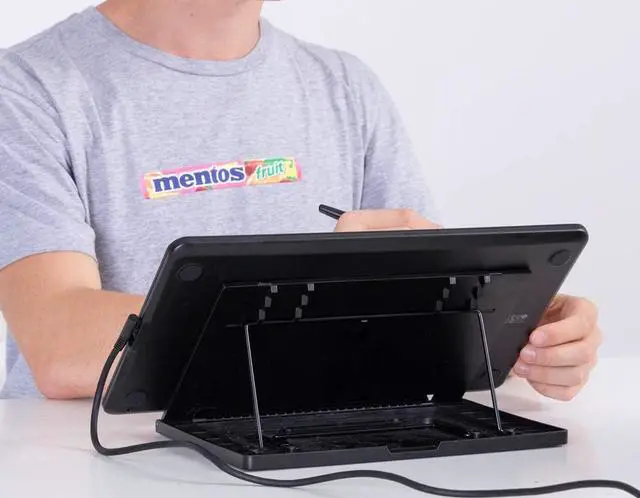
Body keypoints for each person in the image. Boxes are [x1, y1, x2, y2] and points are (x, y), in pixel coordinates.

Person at [0, 0, 601, 401]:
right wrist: (325, 314)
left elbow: (427, 327)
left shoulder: (344, 85)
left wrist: (522, 324)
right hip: (108, 486)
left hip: (323, 472)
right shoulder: (29, 87)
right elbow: (59, 341)